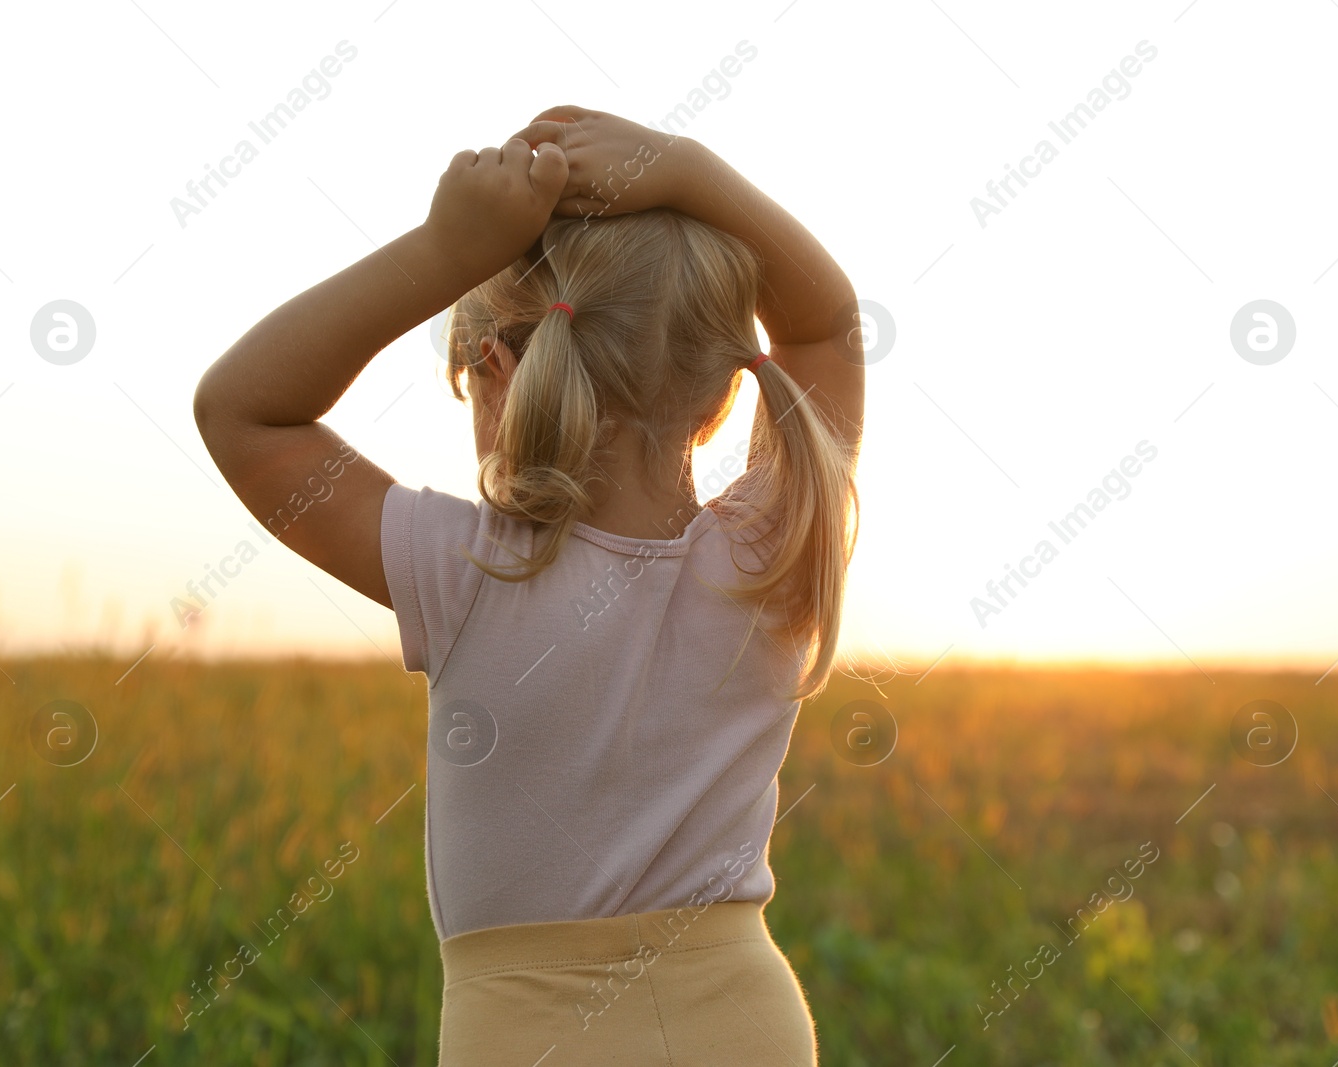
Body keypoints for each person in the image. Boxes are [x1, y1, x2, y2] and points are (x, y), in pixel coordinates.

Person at [194, 104, 864, 1065]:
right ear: (721, 392)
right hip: (747, 1020)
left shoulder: (469, 570)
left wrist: (442, 250)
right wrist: (687, 170)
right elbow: (829, 328)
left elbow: (242, 412)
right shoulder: (773, 553)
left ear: (498, 370)